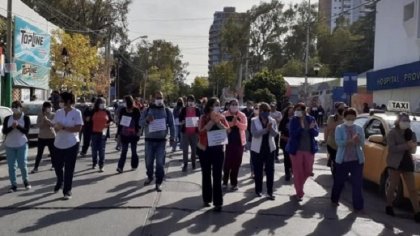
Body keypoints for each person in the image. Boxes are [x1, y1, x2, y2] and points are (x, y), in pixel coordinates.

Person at [385, 113, 420, 223]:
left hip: (407, 162)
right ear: (398, 121)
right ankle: (389, 206)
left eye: (407, 120)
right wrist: (407, 145)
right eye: (403, 120)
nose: (406, 122)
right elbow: (392, 148)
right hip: (395, 163)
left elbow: (413, 150)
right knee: (393, 186)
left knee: (412, 189)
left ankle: (417, 212)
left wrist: (412, 146)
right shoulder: (392, 132)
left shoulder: (411, 133)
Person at [197, 97, 229, 212]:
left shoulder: (222, 117)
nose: (218, 106)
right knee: (206, 174)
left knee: (217, 176)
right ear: (210, 106)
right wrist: (211, 121)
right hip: (205, 150)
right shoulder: (203, 117)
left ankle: (218, 202)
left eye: (219, 104)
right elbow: (200, 131)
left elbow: (227, 130)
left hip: (219, 150)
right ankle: (206, 199)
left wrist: (218, 122)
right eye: (216, 104)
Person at [331, 108, 365, 211]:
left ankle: (358, 206)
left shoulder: (359, 128)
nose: (350, 120)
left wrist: (358, 141)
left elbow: (362, 143)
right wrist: (350, 141)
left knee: (357, 183)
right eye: (348, 118)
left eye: (353, 118)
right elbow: (339, 143)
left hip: (356, 160)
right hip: (343, 160)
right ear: (344, 118)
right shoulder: (339, 128)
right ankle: (334, 199)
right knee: (339, 182)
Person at [140, 91, 175, 192]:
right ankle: (150, 176)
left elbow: (172, 125)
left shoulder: (167, 111)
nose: (159, 99)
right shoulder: (147, 110)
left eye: (160, 97)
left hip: (161, 142)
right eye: (157, 97)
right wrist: (147, 120)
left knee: (160, 163)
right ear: (153, 99)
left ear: (163, 98)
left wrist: (173, 138)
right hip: (149, 141)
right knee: (148, 162)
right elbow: (140, 123)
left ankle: (158, 182)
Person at [52, 92, 83, 200]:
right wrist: (55, 127)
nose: (59, 102)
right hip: (58, 143)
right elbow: (55, 127)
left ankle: (67, 190)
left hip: (72, 143)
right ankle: (60, 180)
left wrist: (64, 128)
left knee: (69, 168)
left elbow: (78, 128)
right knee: (57, 166)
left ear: (68, 101)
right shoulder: (58, 112)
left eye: (61, 99)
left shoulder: (76, 112)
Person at [286, 103, 319, 201]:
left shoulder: (311, 119)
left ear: (305, 110)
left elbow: (316, 133)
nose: (298, 111)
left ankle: (299, 185)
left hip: (309, 149)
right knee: (298, 172)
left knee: (308, 171)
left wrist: (311, 128)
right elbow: (292, 134)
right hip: (296, 150)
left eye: (300, 109)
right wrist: (300, 127)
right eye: (296, 109)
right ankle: (299, 192)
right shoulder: (293, 120)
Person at [251, 102, 278, 200]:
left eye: (268, 111)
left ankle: (270, 192)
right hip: (257, 150)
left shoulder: (272, 120)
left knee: (270, 171)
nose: (266, 113)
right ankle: (258, 190)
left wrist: (270, 130)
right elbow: (255, 134)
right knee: (258, 171)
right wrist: (266, 130)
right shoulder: (254, 120)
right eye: (264, 111)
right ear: (260, 111)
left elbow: (275, 134)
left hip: (269, 149)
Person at [2, 101, 31, 192]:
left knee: (22, 164)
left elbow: (26, 131)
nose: (14, 108)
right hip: (9, 145)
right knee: (11, 166)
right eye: (13, 107)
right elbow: (4, 131)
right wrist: (12, 127)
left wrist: (17, 126)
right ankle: (13, 185)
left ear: (20, 108)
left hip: (21, 144)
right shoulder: (7, 118)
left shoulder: (25, 118)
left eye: (16, 106)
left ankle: (26, 181)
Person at [222, 99, 247, 191]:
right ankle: (224, 181)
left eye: (236, 104)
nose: (234, 106)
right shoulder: (224, 114)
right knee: (227, 163)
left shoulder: (242, 115)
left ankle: (234, 183)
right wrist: (232, 123)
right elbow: (223, 126)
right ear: (229, 105)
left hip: (239, 143)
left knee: (236, 163)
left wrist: (237, 122)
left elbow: (245, 127)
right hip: (227, 142)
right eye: (232, 104)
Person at [116, 95, 141, 173]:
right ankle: (120, 167)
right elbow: (120, 123)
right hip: (124, 134)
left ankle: (134, 165)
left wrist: (139, 133)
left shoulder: (136, 110)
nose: (124, 103)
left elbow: (139, 123)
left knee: (134, 151)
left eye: (125, 101)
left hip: (133, 134)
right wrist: (118, 134)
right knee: (124, 151)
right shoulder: (122, 110)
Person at [179, 95, 201, 172]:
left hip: (194, 133)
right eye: (189, 100)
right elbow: (180, 120)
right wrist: (182, 122)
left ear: (194, 101)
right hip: (185, 133)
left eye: (192, 100)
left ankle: (193, 163)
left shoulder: (197, 110)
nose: (190, 102)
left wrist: (199, 123)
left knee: (194, 149)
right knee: (185, 149)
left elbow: (200, 120)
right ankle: (185, 164)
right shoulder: (183, 110)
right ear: (187, 102)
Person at [32, 101, 55, 173]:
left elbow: (53, 125)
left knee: (53, 152)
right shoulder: (40, 115)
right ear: (44, 108)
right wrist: (43, 120)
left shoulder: (54, 115)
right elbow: (38, 126)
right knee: (39, 153)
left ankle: (54, 165)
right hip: (42, 137)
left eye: (50, 107)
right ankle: (36, 167)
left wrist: (47, 120)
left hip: (51, 136)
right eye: (48, 107)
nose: (49, 108)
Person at [90, 97, 112, 172]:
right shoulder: (93, 111)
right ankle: (94, 162)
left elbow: (111, 120)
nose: (103, 105)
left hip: (103, 133)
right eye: (101, 103)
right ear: (98, 104)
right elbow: (89, 121)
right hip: (94, 132)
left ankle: (101, 165)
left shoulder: (107, 112)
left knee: (102, 149)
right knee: (94, 149)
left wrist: (108, 124)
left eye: (104, 103)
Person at [325, 102, 346, 171]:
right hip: (332, 144)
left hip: (343, 145)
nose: (343, 109)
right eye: (341, 108)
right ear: (337, 109)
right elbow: (328, 129)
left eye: (345, 108)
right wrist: (325, 140)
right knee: (336, 162)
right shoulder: (332, 118)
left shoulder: (347, 118)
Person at [279, 105, 294, 181]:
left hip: (294, 142)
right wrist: (285, 138)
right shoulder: (284, 120)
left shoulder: (296, 120)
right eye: (289, 111)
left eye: (292, 111)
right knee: (286, 158)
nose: (291, 112)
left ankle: (292, 170)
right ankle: (287, 173)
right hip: (285, 142)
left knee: (293, 158)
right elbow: (280, 131)